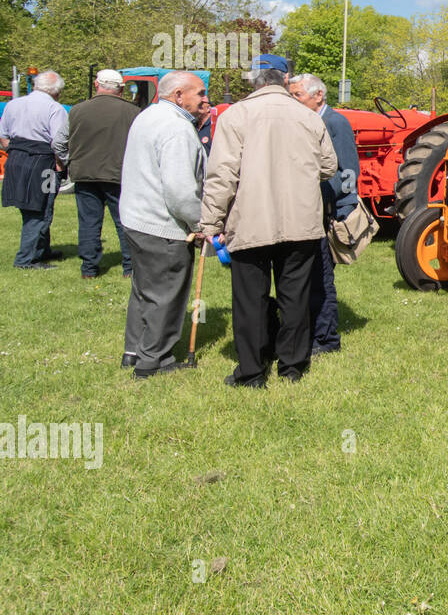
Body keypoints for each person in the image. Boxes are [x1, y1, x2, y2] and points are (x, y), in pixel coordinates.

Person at [200, 65, 338, 387]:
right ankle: (291, 368)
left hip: (250, 221)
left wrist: (210, 222)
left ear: (256, 86)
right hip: (300, 221)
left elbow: (222, 175)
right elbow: (329, 166)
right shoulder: (308, 117)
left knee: (250, 300)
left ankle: (251, 372)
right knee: (295, 297)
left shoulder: (236, 115)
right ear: (283, 84)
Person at [119, 71, 208, 378]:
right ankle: (153, 361)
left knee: (144, 290)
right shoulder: (177, 129)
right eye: (200, 93)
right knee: (165, 293)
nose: (205, 98)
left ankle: (134, 351)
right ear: (178, 95)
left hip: (136, 218)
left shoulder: (148, 116)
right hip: (161, 225)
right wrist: (200, 223)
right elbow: (181, 191)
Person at [288, 72, 361, 355]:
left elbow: (348, 170)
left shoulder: (334, 122)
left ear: (318, 95)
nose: (293, 101)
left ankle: (326, 338)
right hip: (308, 211)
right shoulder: (306, 121)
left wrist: (341, 206)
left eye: (298, 96)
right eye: (291, 95)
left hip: (325, 210)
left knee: (321, 277)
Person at [53, 69, 141, 279]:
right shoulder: (133, 112)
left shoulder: (76, 110)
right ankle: (130, 268)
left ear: (96, 85)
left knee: (89, 223)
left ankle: (89, 269)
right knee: (125, 222)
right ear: (120, 89)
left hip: (84, 174)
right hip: (119, 175)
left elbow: (58, 143)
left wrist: (69, 162)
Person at [0, 71, 68, 268]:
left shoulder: (13, 104)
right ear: (56, 91)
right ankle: (26, 259)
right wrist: (61, 164)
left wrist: (16, 151)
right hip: (43, 163)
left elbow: (3, 138)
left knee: (29, 208)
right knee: (41, 209)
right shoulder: (55, 109)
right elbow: (59, 143)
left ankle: (42, 250)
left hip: (15, 160)